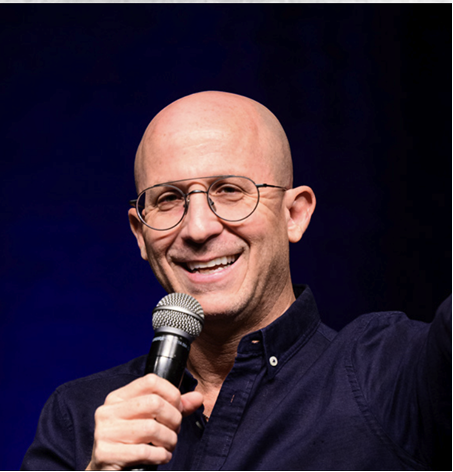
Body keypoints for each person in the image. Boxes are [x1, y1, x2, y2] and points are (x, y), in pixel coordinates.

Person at [22, 91, 451, 471]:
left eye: (229, 190)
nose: (198, 228)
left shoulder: (396, 374)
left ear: (294, 214)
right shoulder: (78, 418)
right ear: (140, 234)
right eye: (169, 198)